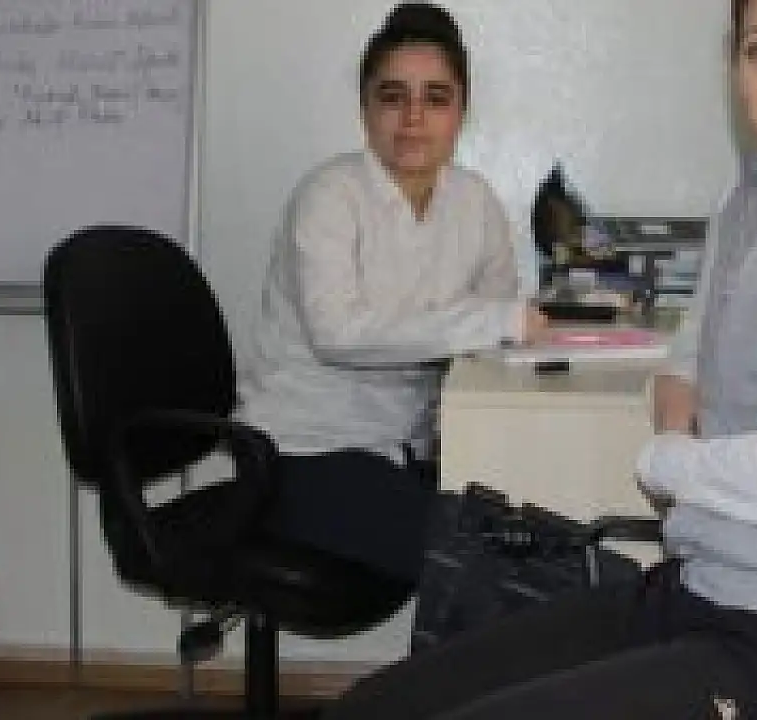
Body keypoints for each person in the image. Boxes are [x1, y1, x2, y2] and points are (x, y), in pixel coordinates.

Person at [322, 0, 757, 717]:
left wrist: (670, 464)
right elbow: (683, 367)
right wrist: (691, 457)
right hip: (701, 588)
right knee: (373, 709)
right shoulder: (749, 204)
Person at [236, 2, 550, 585]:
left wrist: (515, 332)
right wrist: (493, 322)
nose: (413, 117)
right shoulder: (329, 197)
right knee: (483, 569)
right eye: (392, 96)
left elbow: (490, 340)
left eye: (436, 97)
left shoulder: (476, 204)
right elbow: (339, 335)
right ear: (365, 108)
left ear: (461, 111)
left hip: (409, 449)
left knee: (533, 534)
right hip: (304, 453)